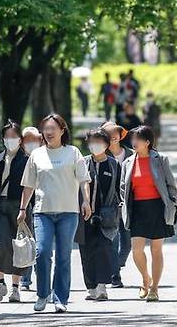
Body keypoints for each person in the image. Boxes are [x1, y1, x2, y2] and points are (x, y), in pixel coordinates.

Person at [18, 113, 93, 313]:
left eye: (53, 128)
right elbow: (28, 185)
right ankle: (43, 294)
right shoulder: (37, 155)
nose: (49, 132)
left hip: (69, 212)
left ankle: (61, 298)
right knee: (42, 253)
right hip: (42, 212)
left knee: (63, 256)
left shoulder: (73, 152)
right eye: (46, 128)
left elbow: (84, 180)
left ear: (62, 130)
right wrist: (23, 208)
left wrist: (86, 201)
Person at [120, 126, 177, 302]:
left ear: (147, 142)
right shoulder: (128, 163)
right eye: (132, 139)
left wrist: (172, 203)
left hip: (158, 207)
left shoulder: (160, 159)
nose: (134, 142)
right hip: (137, 208)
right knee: (136, 250)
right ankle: (146, 278)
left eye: (137, 139)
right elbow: (123, 187)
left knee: (156, 249)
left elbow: (170, 184)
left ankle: (154, 288)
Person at [0, 120, 32, 303]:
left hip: (19, 206)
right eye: (7, 137)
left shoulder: (27, 160)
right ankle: (0, 283)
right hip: (0, 207)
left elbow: (29, 186)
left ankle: (15, 288)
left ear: (20, 139)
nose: (10, 140)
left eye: (14, 137)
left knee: (18, 247)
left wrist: (24, 208)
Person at [76, 129, 121, 301]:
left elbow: (119, 188)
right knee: (86, 250)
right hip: (84, 214)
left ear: (107, 144)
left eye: (99, 142)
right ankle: (91, 286)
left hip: (106, 214)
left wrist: (120, 209)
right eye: (92, 142)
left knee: (103, 248)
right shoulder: (83, 163)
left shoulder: (113, 164)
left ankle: (102, 286)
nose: (95, 145)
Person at [100, 122, 133, 288]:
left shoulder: (131, 154)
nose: (113, 135)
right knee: (113, 241)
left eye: (116, 132)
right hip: (109, 206)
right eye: (108, 133)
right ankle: (115, 276)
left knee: (127, 244)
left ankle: (115, 266)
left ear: (121, 135)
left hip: (128, 204)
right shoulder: (101, 156)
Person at [18, 125, 41, 291]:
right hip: (24, 206)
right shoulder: (17, 159)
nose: (31, 143)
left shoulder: (44, 157)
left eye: (35, 140)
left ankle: (42, 279)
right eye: (28, 140)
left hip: (41, 204)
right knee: (26, 241)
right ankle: (25, 278)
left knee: (40, 244)